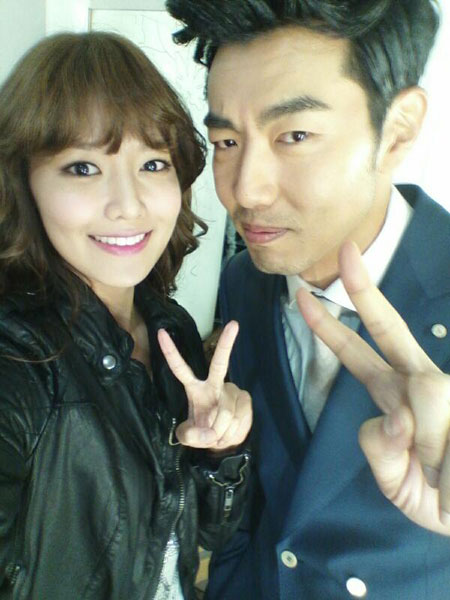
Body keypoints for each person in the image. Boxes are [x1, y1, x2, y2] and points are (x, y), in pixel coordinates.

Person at [165, 1, 450, 598]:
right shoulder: (246, 281)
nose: (245, 191)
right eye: (226, 140)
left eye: (294, 135)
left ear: (397, 130)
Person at [0, 31, 252, 600]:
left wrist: (220, 451)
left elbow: (204, 534)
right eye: (82, 168)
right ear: (24, 184)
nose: (129, 204)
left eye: (153, 163)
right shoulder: (19, 355)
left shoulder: (171, 329)